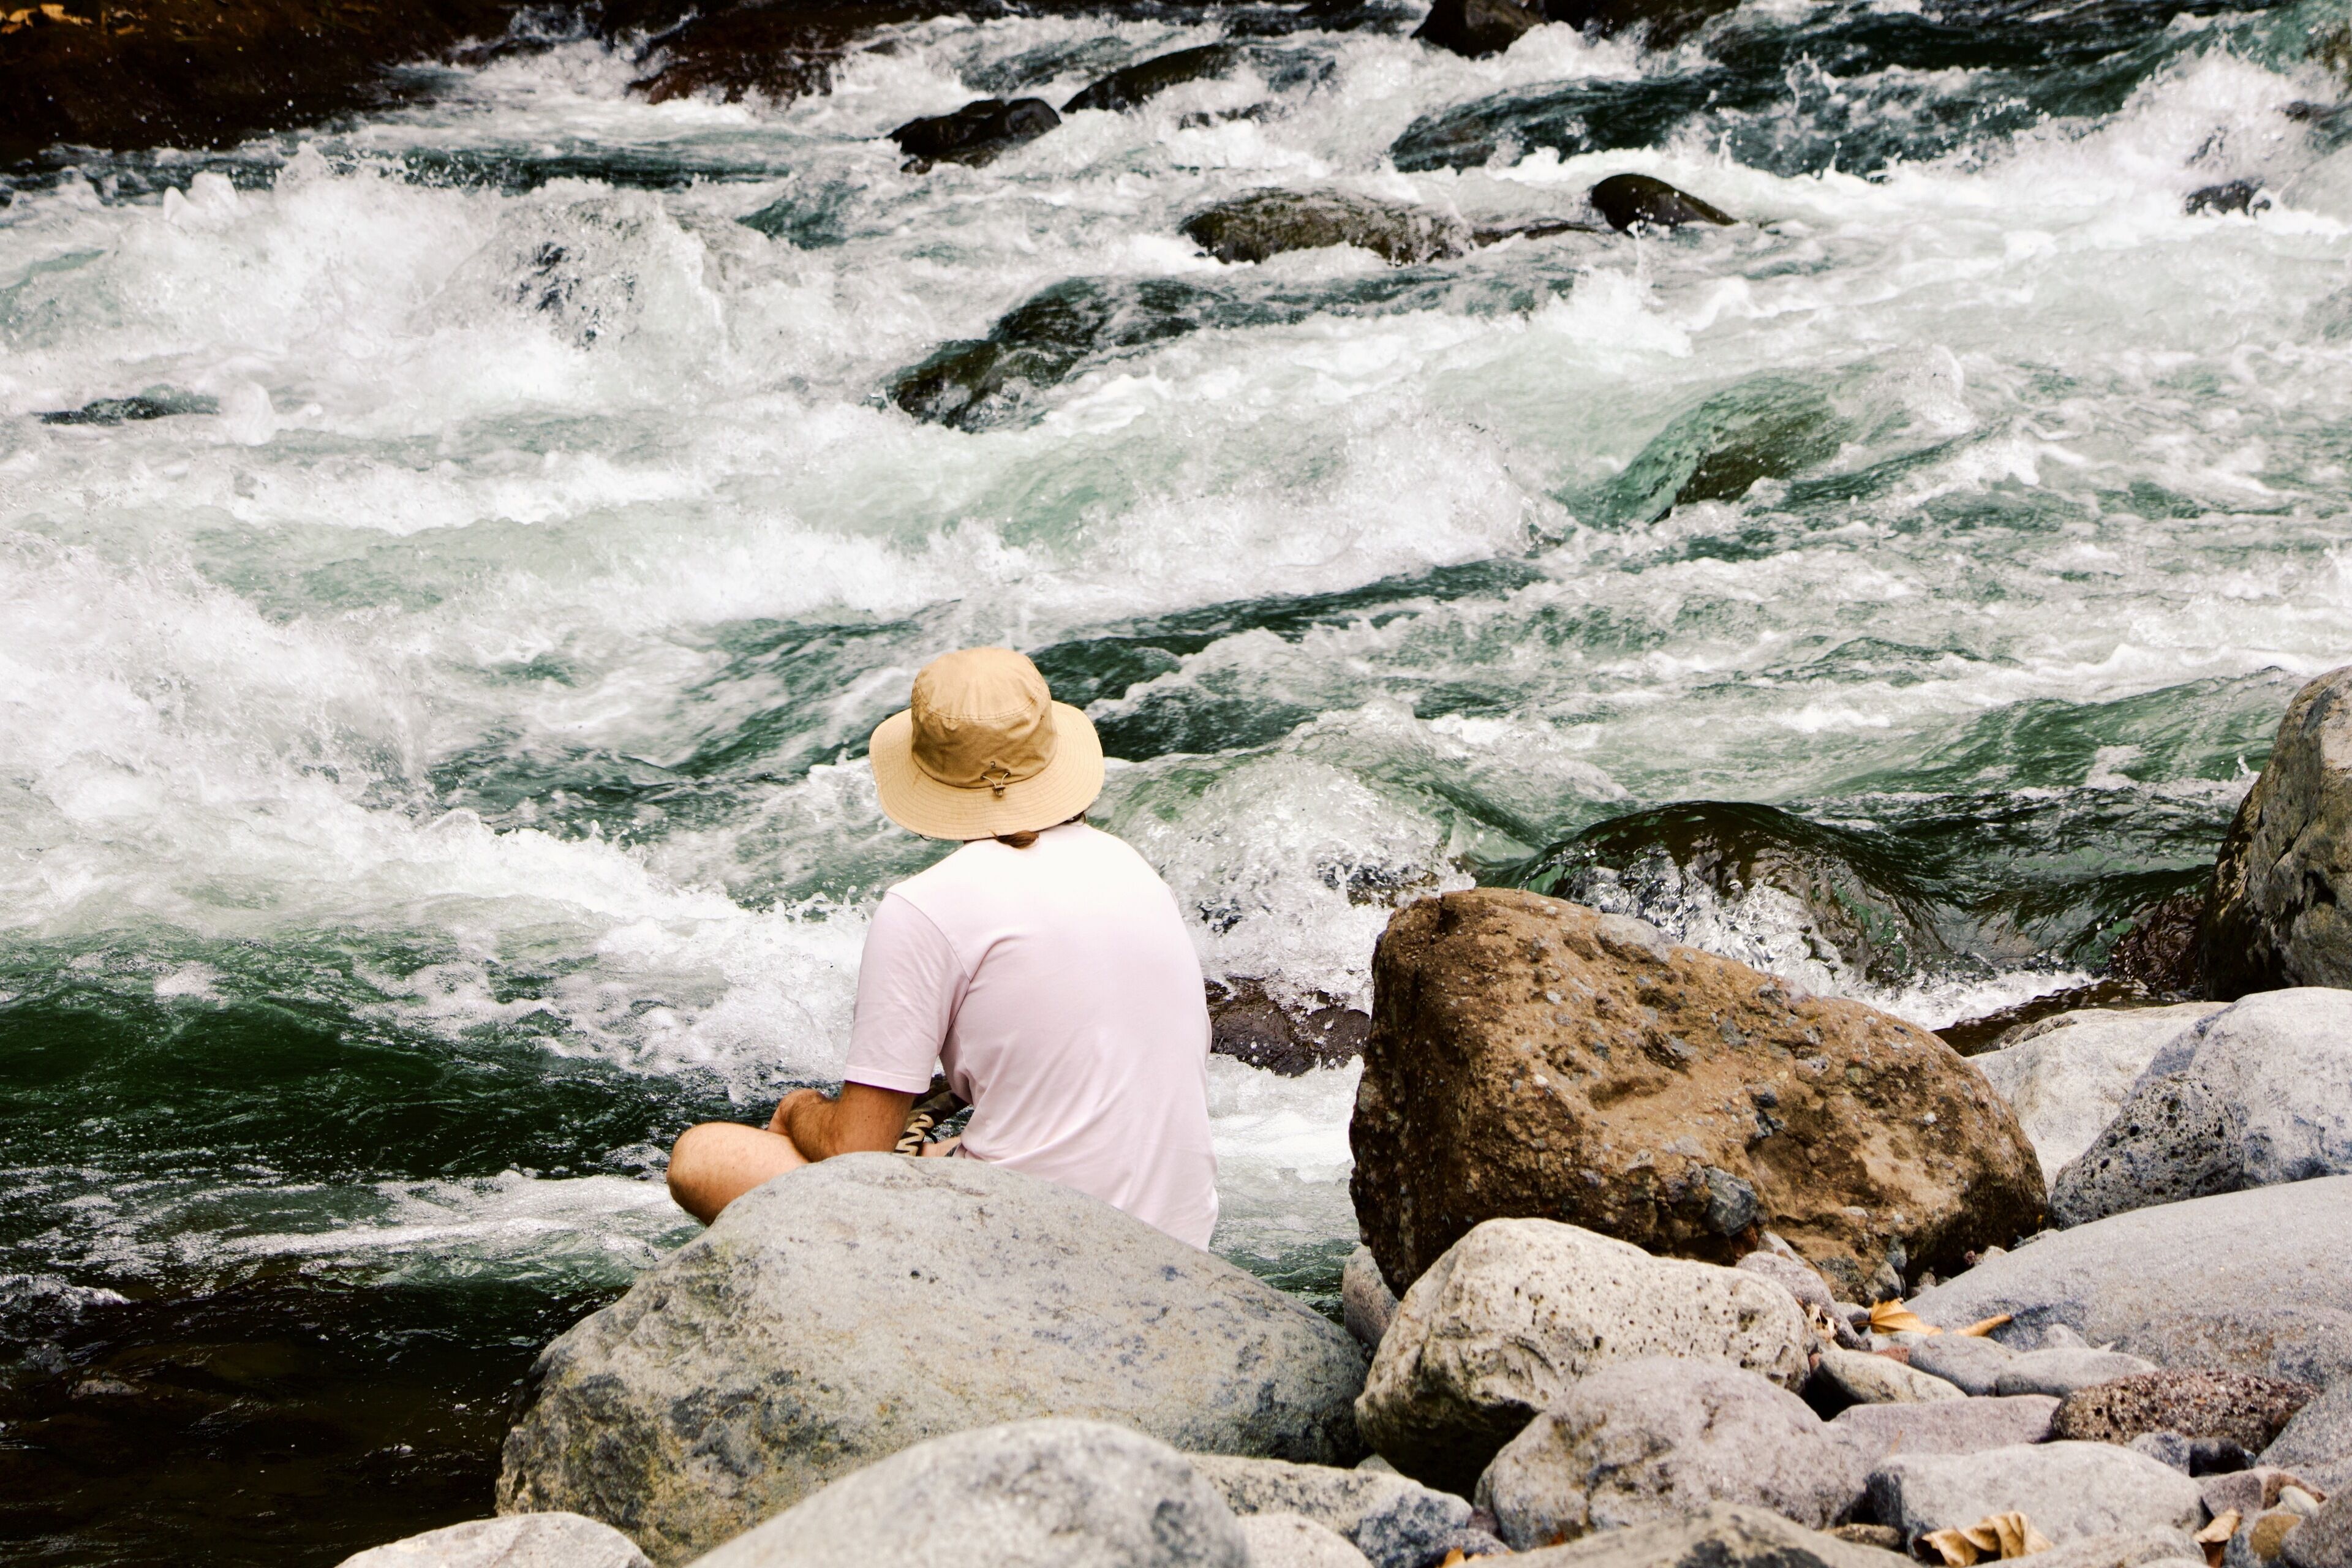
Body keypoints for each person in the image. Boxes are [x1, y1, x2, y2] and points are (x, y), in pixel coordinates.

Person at [664, 646, 1220, 1248]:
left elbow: (856, 1149)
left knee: (704, 1156)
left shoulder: (926, 906)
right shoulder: (1131, 867)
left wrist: (800, 1109)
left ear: (928, 773)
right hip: (1180, 1238)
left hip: (1030, 1256)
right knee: (946, 1150)